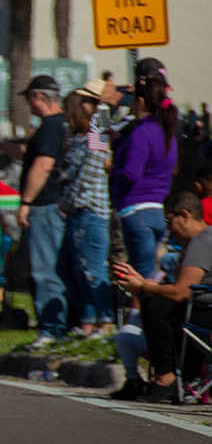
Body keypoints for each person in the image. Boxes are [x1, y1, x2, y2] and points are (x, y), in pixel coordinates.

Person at [109, 191, 209, 403]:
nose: (169, 228)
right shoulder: (198, 242)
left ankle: (167, 378)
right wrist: (142, 282)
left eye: (169, 221)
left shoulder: (202, 242)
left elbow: (182, 292)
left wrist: (144, 287)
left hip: (204, 314)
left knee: (156, 305)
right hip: (200, 310)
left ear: (185, 215)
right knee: (156, 300)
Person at [14, 73, 70, 347]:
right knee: (57, 267)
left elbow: (43, 164)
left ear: (37, 96)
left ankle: (51, 329)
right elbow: (29, 154)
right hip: (58, 205)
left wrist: (26, 202)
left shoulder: (50, 127)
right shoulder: (63, 125)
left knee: (45, 269)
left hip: (45, 205)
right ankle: (61, 326)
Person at [55, 81, 112, 338]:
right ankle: (88, 322)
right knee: (78, 270)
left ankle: (105, 320)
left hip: (90, 209)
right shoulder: (75, 137)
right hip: (76, 211)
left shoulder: (96, 132)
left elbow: (91, 169)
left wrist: (105, 104)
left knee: (94, 268)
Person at [112, 58, 177, 282]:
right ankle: (140, 312)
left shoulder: (140, 129)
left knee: (140, 276)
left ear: (139, 100)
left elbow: (101, 137)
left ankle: (141, 315)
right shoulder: (166, 129)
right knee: (147, 272)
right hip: (156, 208)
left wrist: (102, 106)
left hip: (134, 209)